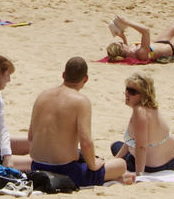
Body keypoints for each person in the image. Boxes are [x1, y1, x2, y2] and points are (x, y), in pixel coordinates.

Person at [28, 57, 134, 186]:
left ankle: (113, 178)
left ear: (63, 75)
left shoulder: (42, 96)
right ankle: (113, 178)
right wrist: (93, 165)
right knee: (120, 164)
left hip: (36, 166)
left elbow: (31, 136)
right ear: (86, 79)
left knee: (82, 156)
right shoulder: (80, 101)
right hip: (65, 171)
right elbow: (86, 143)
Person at [112, 74, 174, 175]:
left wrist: (139, 175)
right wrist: (115, 160)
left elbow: (141, 147)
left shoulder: (139, 112)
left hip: (155, 167)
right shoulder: (152, 107)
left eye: (132, 91)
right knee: (118, 147)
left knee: (115, 146)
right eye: (127, 89)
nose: (126, 93)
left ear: (143, 95)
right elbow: (131, 141)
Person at [106, 16, 174, 64]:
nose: (123, 43)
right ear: (123, 50)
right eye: (121, 43)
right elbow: (146, 31)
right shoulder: (140, 54)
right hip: (173, 49)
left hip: (161, 42)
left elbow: (126, 47)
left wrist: (123, 37)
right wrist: (127, 22)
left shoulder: (130, 51)